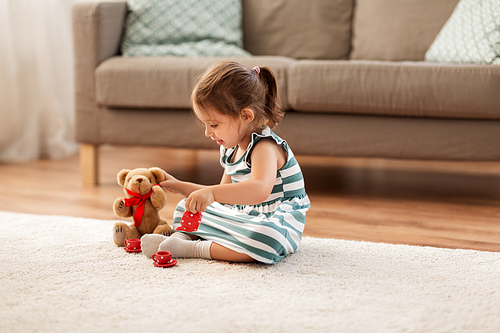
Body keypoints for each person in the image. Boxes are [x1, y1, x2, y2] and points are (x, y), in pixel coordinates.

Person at [141, 61, 311, 264]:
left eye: (213, 124)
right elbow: (223, 195)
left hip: (276, 221)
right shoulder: (231, 149)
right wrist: (180, 186)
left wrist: (211, 193)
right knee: (185, 207)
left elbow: (260, 189)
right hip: (244, 215)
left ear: (246, 116)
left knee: (265, 238)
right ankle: (178, 239)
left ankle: (192, 247)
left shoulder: (264, 146)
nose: (207, 132)